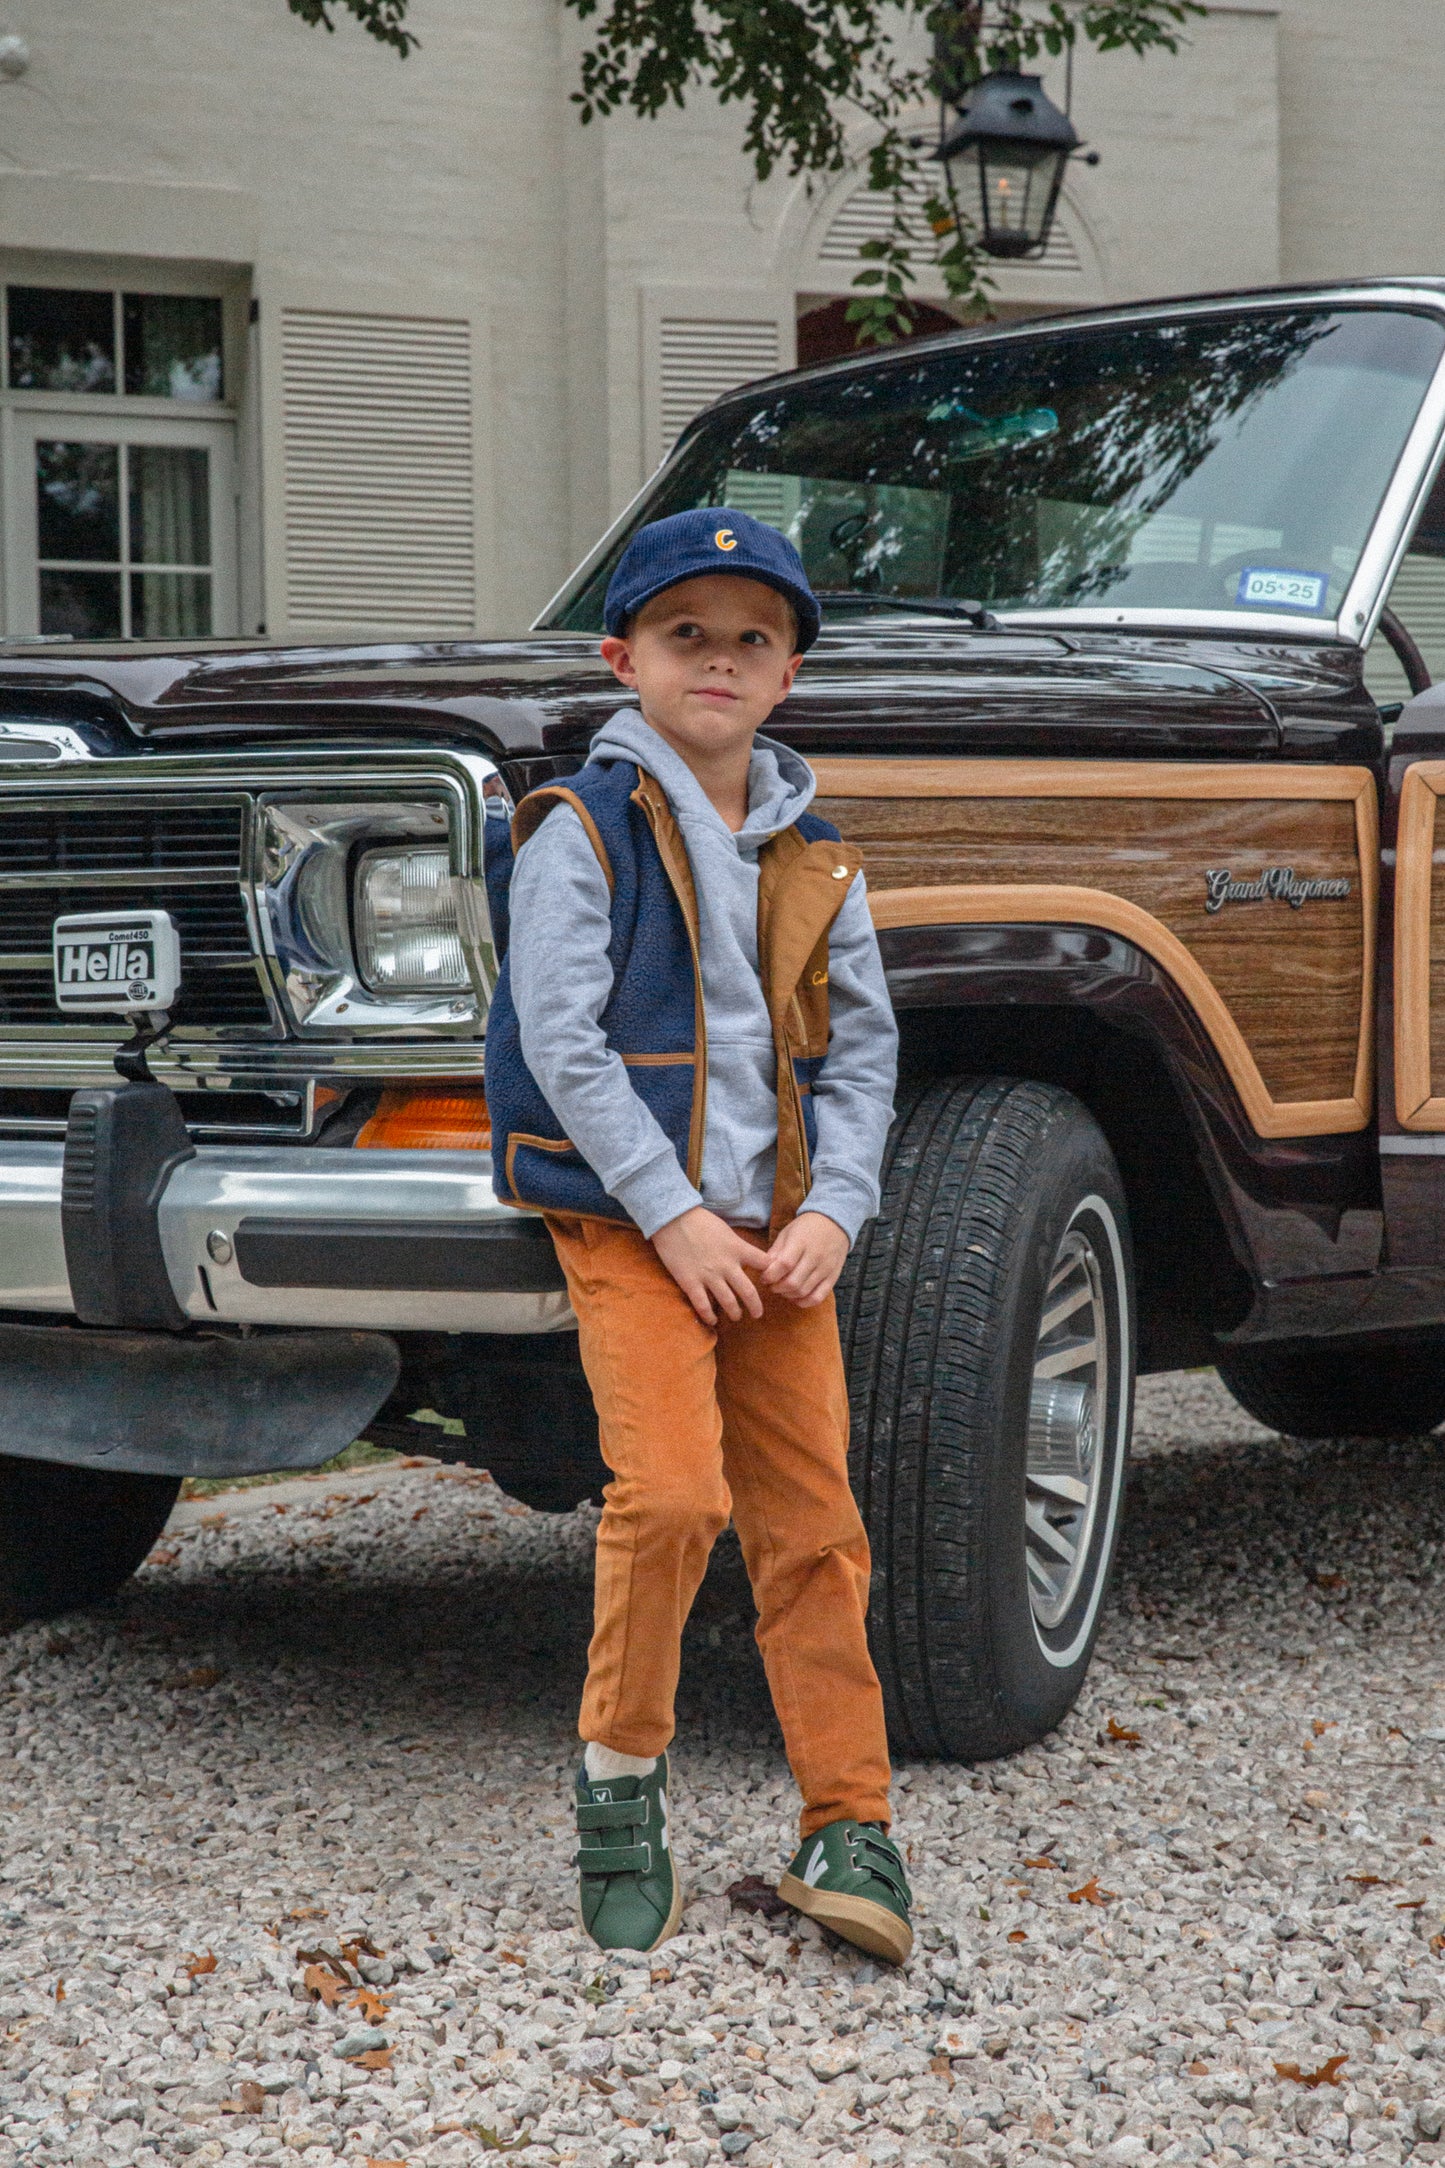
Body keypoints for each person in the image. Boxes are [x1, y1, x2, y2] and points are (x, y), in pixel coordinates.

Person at [483, 508, 908, 1962]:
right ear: (624, 657)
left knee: (816, 1527)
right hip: (634, 1226)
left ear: (787, 675)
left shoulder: (815, 849)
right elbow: (561, 1039)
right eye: (684, 634)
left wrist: (834, 1210)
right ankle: (618, 1785)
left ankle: (848, 1821)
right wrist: (671, 1217)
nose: (717, 661)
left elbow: (857, 1051)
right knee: (672, 1502)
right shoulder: (579, 829)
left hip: (779, 1239)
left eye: (751, 639)